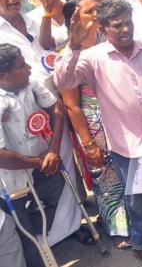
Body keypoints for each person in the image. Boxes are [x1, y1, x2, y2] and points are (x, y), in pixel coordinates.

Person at [55, 0, 142, 267]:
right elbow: (64, 80)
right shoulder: (93, 57)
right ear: (104, 28)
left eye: (127, 22)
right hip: (126, 146)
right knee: (137, 200)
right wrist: (72, 45)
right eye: (117, 25)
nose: (125, 29)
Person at [60, 0, 132, 250]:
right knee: (108, 178)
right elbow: (71, 105)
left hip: (123, 120)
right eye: (90, 10)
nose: (96, 13)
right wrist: (89, 144)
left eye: (98, 9)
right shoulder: (70, 53)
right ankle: (118, 227)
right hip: (94, 126)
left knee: (132, 173)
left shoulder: (111, 42)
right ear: (75, 18)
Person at [0, 43, 70, 267]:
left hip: (43, 161)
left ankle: (40, 234)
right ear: (3, 77)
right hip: (11, 178)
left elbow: (56, 108)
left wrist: (53, 150)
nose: (30, 68)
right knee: (24, 232)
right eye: (22, 65)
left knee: (55, 194)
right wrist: (40, 163)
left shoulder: (30, 83)